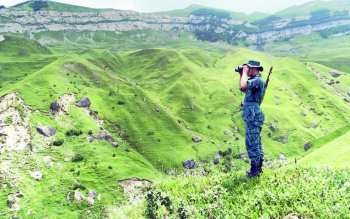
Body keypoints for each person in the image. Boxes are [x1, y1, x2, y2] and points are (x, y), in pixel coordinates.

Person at [239, 60, 266, 178]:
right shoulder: (254, 81)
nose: (246, 70)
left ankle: (254, 172)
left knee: (251, 143)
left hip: (253, 115)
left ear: (254, 69)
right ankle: (258, 168)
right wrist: (242, 74)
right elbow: (242, 87)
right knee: (256, 142)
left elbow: (244, 85)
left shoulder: (258, 80)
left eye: (248, 68)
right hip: (253, 115)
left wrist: (244, 72)